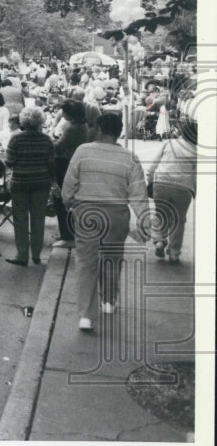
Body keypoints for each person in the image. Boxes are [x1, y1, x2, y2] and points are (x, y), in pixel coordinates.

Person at [62, 114, 149, 330]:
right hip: (116, 215)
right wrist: (144, 220)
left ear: (99, 129)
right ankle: (108, 301)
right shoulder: (129, 157)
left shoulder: (83, 151)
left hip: (87, 212)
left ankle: (86, 315)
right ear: (118, 132)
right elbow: (138, 193)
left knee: (86, 262)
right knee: (112, 258)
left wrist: (70, 205)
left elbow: (69, 183)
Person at [4, 107, 55, 266]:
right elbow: (51, 163)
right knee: (38, 219)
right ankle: (37, 255)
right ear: (40, 121)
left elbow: (9, 162)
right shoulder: (47, 140)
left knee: (20, 218)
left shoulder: (16, 139)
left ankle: (22, 255)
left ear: (23, 121)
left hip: (20, 183)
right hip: (41, 183)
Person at [145, 118, 197, 264]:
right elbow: (197, 175)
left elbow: (154, 164)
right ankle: (174, 253)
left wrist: (150, 180)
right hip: (183, 188)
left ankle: (160, 241)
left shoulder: (169, 143)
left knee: (161, 214)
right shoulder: (196, 151)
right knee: (178, 220)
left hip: (161, 182)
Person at [50, 99, 89, 249]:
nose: (63, 114)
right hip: (72, 164)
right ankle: (66, 233)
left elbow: (59, 147)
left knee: (61, 199)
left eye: (64, 112)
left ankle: (68, 236)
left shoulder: (73, 128)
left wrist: (50, 141)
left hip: (65, 165)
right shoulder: (82, 125)